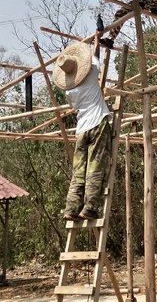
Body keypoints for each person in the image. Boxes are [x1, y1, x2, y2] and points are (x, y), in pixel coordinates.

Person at [52, 41, 111, 221]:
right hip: (97, 123)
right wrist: (97, 39)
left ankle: (71, 209)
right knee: (95, 166)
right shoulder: (92, 75)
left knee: (78, 170)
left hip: (81, 129)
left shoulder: (69, 92)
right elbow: (95, 57)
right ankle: (90, 208)